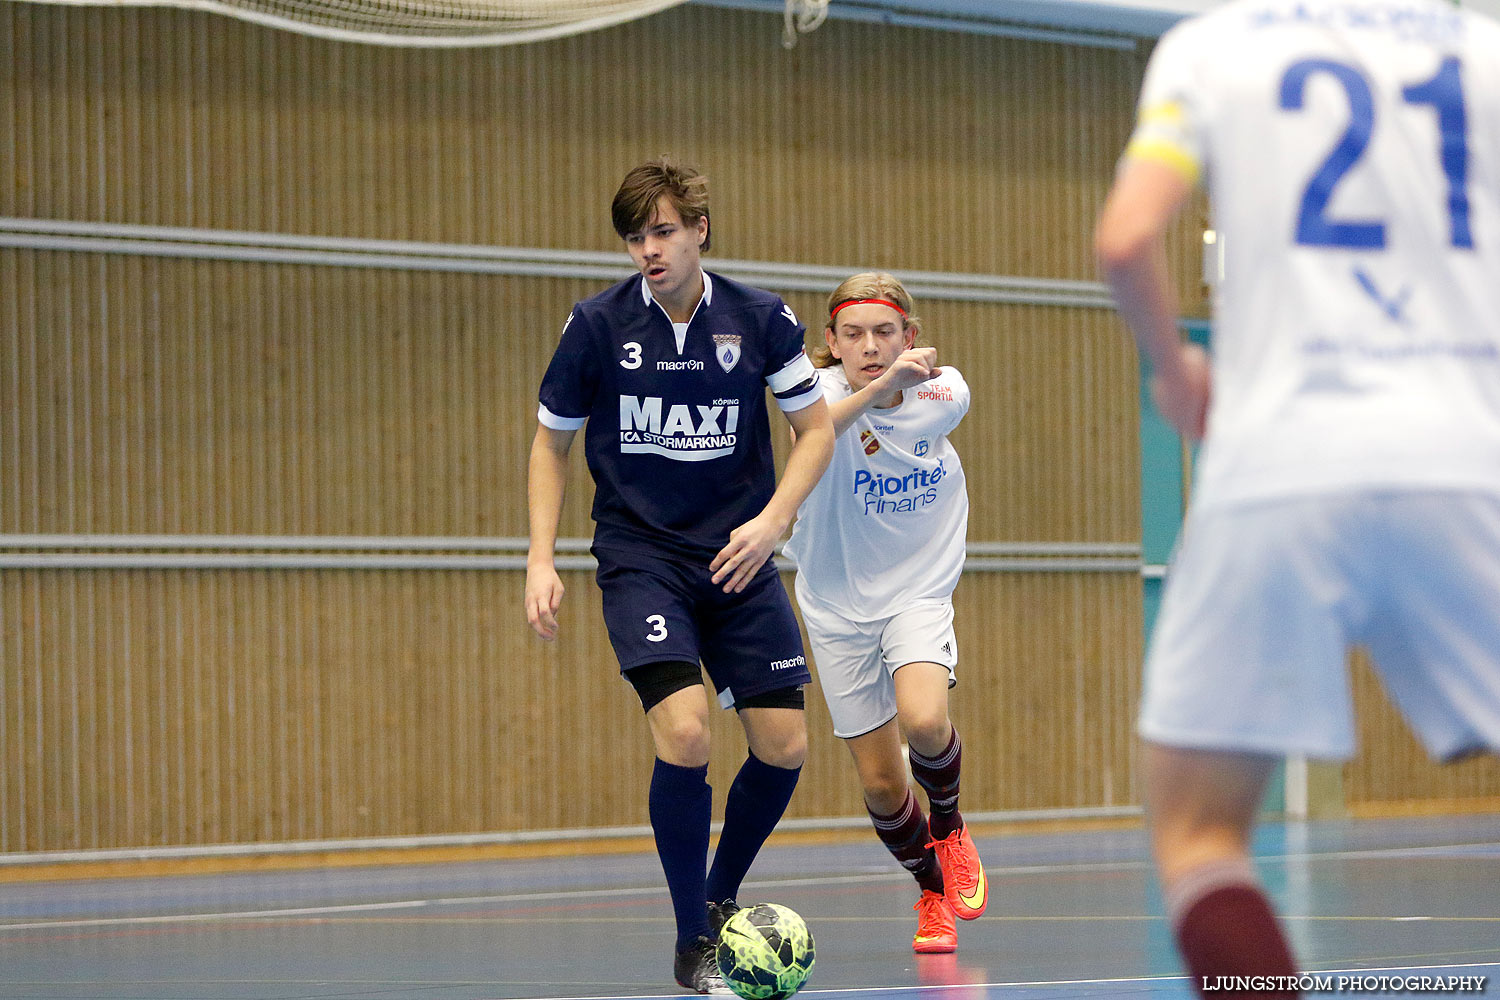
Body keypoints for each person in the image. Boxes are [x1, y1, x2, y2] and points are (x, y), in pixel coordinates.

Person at [1095, 0, 1500, 996]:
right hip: (1464, 457)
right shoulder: (1485, 51)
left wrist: (1172, 366)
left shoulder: (1211, 47)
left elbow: (1126, 236)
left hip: (1274, 463)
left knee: (1199, 832)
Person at [524, 157, 835, 994]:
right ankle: (692, 937)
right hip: (642, 561)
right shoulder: (595, 326)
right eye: (634, 236)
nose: (647, 249)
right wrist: (540, 557)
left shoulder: (762, 318)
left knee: (784, 746)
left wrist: (775, 523)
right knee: (689, 732)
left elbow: (815, 431)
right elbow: (550, 445)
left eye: (661, 231)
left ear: (699, 229)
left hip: (739, 555)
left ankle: (721, 892)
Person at [783, 273, 986, 955]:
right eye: (854, 335)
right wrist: (876, 389)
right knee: (879, 781)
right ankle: (930, 890)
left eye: (885, 332)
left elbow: (939, 393)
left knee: (925, 719)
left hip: (917, 591)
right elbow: (812, 428)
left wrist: (902, 388)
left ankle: (951, 827)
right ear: (831, 344)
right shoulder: (819, 395)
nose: (870, 346)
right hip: (837, 607)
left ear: (911, 337)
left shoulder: (944, 392)